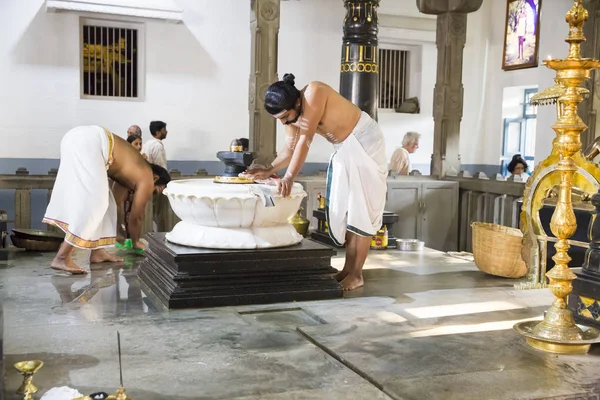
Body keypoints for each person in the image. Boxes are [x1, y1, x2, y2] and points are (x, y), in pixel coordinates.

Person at [243, 73, 387, 291]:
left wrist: (289, 177)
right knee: (348, 210)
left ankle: (357, 274)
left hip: (365, 142)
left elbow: (304, 141)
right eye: (279, 119)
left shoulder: (314, 92)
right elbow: (289, 148)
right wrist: (270, 169)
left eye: (285, 117)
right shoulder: (291, 113)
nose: (284, 122)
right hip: (344, 149)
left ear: (297, 102)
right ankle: (348, 270)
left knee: (361, 211)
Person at [43, 125, 171, 275]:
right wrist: (136, 242)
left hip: (75, 138)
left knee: (107, 204)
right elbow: (137, 217)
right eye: (160, 188)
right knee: (95, 204)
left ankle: (98, 252)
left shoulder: (131, 171)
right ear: (156, 178)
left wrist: (121, 234)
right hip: (92, 141)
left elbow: (115, 205)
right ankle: (63, 256)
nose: (155, 192)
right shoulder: (147, 176)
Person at [142, 121, 169, 232]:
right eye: (164, 129)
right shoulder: (157, 146)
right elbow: (160, 167)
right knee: (158, 213)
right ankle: (157, 236)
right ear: (158, 132)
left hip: (148, 180)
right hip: (157, 183)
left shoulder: (148, 143)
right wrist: (163, 181)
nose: (166, 131)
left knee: (151, 213)